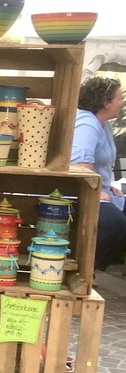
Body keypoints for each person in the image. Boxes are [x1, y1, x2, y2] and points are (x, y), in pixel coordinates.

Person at [71, 76, 126, 271]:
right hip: (80, 190)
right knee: (114, 222)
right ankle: (86, 269)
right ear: (105, 102)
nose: (122, 102)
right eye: (119, 98)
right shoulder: (87, 124)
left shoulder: (104, 124)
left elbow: (100, 164)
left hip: (100, 187)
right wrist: (96, 189)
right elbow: (78, 166)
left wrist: (107, 184)